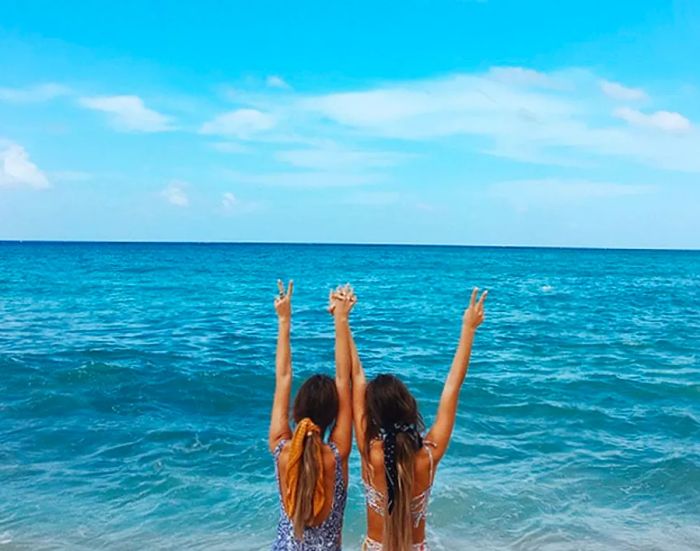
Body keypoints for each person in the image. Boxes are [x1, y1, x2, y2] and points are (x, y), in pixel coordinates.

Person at [350, 286, 487, 551]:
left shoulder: (370, 452)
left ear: (373, 415)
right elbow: (451, 387)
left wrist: (342, 322)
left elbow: (356, 378)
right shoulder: (428, 455)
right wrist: (469, 329)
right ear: (409, 405)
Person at [269, 280, 355, 550]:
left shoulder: (281, 450)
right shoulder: (337, 454)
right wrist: (340, 319)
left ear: (297, 409)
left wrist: (284, 320)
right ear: (334, 415)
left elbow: (283, 377)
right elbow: (344, 379)